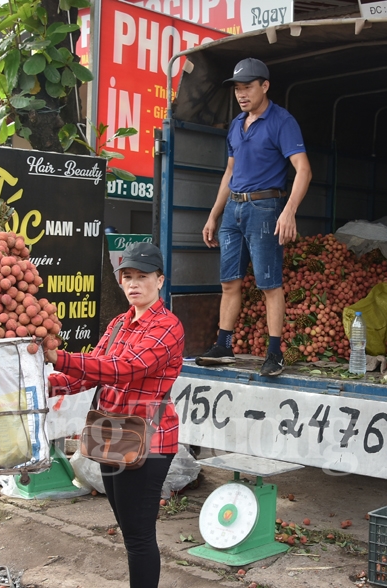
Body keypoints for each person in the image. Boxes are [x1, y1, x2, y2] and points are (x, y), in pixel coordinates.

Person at [44, 241, 184, 588]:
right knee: (128, 527)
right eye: (127, 277)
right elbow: (93, 372)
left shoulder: (168, 326)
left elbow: (125, 369)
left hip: (149, 438)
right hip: (112, 433)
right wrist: (43, 387)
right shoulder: (120, 323)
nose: (133, 284)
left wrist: (60, 357)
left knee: (138, 535)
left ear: (160, 280)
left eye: (142, 276)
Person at [198, 57, 312, 377]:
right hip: (234, 209)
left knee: (268, 284)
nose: (241, 94)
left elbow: (303, 170)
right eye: (237, 88)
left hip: (265, 208)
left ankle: (274, 353)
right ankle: (224, 345)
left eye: (248, 87)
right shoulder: (236, 124)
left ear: (265, 86)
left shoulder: (282, 122)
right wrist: (213, 215)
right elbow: (230, 172)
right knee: (230, 282)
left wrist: (289, 211)